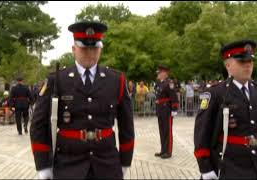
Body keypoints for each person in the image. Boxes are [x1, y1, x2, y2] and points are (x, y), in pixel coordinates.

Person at [30, 21, 135, 179]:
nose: (89, 52)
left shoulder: (116, 80)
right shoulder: (57, 80)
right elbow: (39, 125)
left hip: (107, 164)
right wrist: (43, 165)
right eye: (84, 48)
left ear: (100, 49)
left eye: (94, 48)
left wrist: (125, 162)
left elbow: (126, 124)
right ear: (74, 49)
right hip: (68, 165)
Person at [194, 39, 257, 179]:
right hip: (230, 166)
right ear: (228, 65)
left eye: (250, 61)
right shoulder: (216, 93)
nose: (248, 65)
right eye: (242, 62)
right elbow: (202, 131)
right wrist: (205, 167)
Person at [154, 65, 179, 159]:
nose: (158, 74)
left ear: (164, 73)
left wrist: (174, 109)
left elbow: (174, 97)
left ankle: (168, 152)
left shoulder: (169, 83)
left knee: (167, 131)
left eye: (159, 73)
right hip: (160, 110)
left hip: (167, 110)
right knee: (162, 131)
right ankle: (163, 150)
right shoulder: (159, 83)